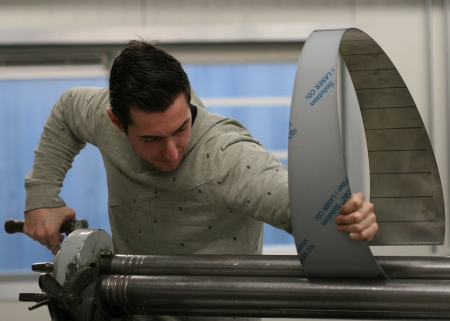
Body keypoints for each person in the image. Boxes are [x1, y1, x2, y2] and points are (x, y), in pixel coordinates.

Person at [23, 41, 377, 319]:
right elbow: (67, 110)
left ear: (187, 95)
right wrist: (41, 194)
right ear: (117, 122)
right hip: (131, 309)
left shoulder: (227, 158)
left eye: (181, 129)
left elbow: (308, 210)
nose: (173, 153)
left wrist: (353, 218)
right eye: (151, 139)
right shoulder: (103, 119)